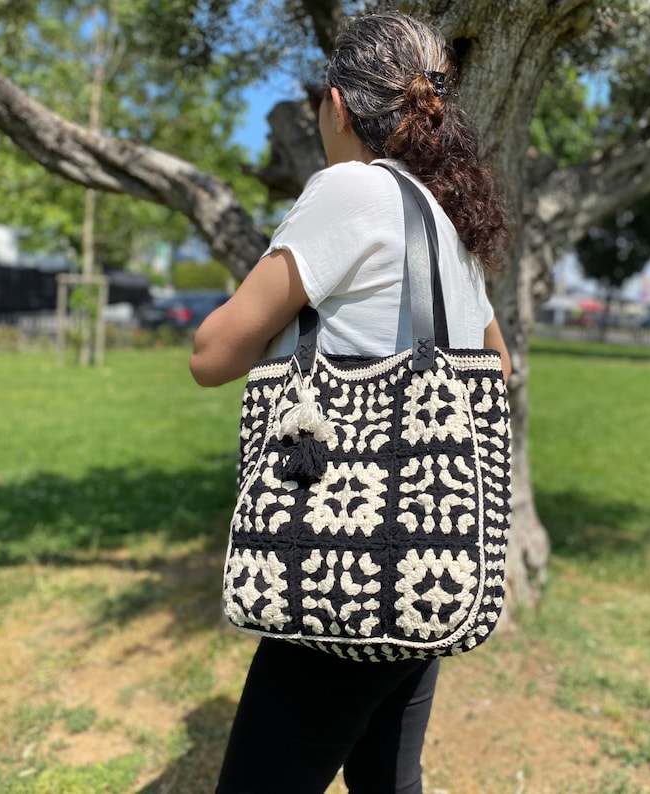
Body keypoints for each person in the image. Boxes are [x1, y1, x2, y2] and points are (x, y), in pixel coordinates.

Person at [190, 11, 511, 794]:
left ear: (336, 105)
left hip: (338, 570)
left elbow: (211, 354)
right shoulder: (447, 222)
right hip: (426, 564)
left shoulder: (349, 190)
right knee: (389, 782)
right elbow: (495, 370)